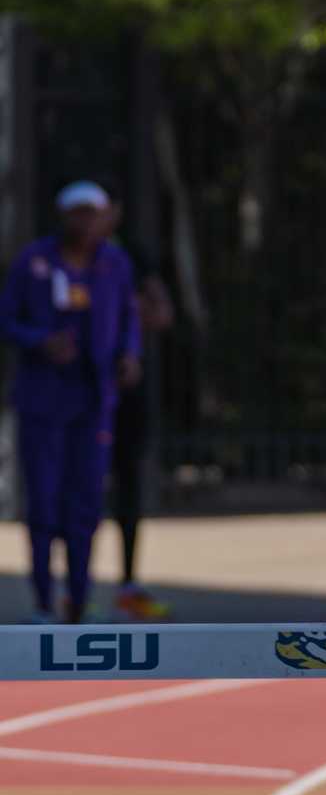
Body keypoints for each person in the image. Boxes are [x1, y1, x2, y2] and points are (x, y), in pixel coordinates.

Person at [3, 182, 142, 622]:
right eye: (77, 213)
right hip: (43, 400)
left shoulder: (114, 262)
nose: (85, 222)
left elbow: (128, 317)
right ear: (63, 215)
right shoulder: (35, 261)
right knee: (43, 501)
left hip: (93, 398)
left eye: (92, 213)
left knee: (85, 503)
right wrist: (41, 340)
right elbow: (7, 318)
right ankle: (44, 599)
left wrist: (129, 355)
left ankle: (79, 599)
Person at [107, 197, 176, 619]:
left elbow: (162, 312)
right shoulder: (53, 253)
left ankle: (129, 585)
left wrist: (134, 310)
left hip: (125, 391)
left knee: (128, 483)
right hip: (75, 395)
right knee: (70, 496)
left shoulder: (132, 255)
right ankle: (67, 593)